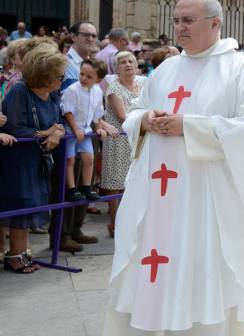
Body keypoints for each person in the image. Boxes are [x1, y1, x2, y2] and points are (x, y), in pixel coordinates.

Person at [103, 0, 244, 334]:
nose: (180, 28)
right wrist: (146, 119)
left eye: (188, 20)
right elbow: (134, 113)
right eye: (177, 20)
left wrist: (189, 127)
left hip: (205, 199)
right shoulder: (166, 68)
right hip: (157, 197)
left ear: (215, 23)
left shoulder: (239, 69)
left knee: (198, 267)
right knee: (153, 262)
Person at [0, 44, 67, 273]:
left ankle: (21, 252)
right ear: (45, 76)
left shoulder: (52, 94)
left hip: (38, 160)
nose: (63, 79)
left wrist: (57, 131)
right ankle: (14, 256)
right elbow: (15, 129)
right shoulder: (20, 91)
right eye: (59, 76)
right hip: (17, 161)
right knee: (21, 202)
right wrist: (45, 133)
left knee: (32, 203)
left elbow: (60, 122)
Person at [61, 58, 117, 203]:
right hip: (70, 130)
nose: (83, 78)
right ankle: (71, 189)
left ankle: (86, 187)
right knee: (70, 159)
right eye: (82, 74)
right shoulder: (72, 90)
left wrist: (99, 129)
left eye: (89, 76)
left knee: (89, 159)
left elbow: (98, 113)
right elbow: (68, 112)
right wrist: (75, 130)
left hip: (85, 130)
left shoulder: (97, 91)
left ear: (98, 79)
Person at [100, 51, 144, 238]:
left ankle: (132, 222)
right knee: (116, 182)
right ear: (116, 68)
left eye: (131, 61)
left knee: (134, 182)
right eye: (123, 62)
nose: (127, 64)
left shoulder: (143, 84)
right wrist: (145, 115)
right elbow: (123, 116)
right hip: (118, 140)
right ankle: (115, 223)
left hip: (137, 138)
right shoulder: (114, 89)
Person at [63, 22, 98, 90]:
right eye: (86, 35)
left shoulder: (94, 63)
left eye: (94, 36)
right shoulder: (65, 63)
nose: (90, 39)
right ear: (73, 37)